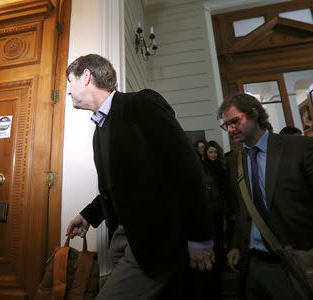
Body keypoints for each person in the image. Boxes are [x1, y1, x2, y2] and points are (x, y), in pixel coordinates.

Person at [65, 54, 215, 299]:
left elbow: (186, 169)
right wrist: (89, 215)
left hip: (156, 242)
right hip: (125, 241)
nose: (69, 92)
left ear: (87, 76)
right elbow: (121, 185)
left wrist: (200, 237)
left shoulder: (141, 104)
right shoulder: (99, 130)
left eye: (70, 82)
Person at [218, 93, 313, 300]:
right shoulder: (235, 161)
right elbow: (241, 208)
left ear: (253, 114)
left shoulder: (301, 148)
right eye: (226, 125)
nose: (231, 129)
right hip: (252, 266)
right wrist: (236, 244)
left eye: (234, 121)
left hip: (300, 261)